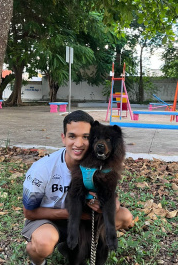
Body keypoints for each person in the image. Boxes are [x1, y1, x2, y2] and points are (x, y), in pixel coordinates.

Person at [22, 110, 133, 265]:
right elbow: (28, 212)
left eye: (86, 137)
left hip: (80, 222)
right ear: (63, 138)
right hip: (48, 220)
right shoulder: (42, 168)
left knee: (124, 216)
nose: (79, 144)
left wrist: (112, 203)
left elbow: (108, 192)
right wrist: (78, 215)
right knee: (44, 242)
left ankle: (73, 247)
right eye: (72, 136)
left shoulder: (99, 165)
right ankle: (39, 261)